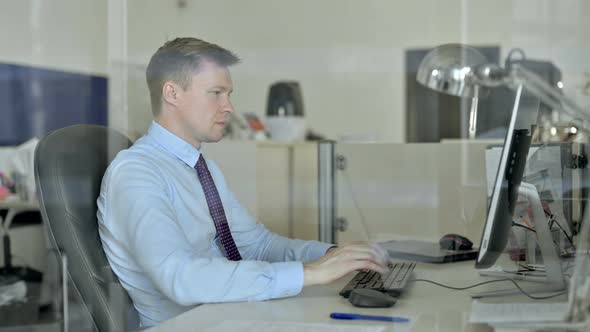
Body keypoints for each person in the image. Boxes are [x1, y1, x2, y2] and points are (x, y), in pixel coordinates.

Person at [97, 37, 389, 327]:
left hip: (230, 315)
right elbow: (180, 278)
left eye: (229, 94)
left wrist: (332, 255)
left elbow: (256, 245)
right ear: (172, 93)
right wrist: (309, 273)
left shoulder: (201, 167)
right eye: (216, 93)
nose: (229, 107)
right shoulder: (136, 172)